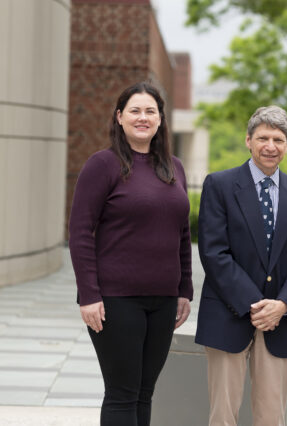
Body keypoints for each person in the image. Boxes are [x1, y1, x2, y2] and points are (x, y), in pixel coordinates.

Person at [68, 81, 193, 426]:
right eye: (135, 111)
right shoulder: (102, 165)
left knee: (144, 393)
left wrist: (184, 290)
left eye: (150, 111)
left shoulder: (175, 167)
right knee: (122, 395)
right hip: (115, 300)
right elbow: (79, 233)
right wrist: (89, 295)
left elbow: (182, 233)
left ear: (160, 119)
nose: (143, 117)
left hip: (164, 300)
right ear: (119, 117)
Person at [195, 105, 287, 426]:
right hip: (227, 314)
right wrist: (256, 305)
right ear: (248, 140)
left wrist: (282, 305)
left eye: (278, 139)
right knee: (222, 415)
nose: (270, 146)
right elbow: (213, 252)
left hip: (280, 322)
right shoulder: (219, 185)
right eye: (263, 137)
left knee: (271, 418)